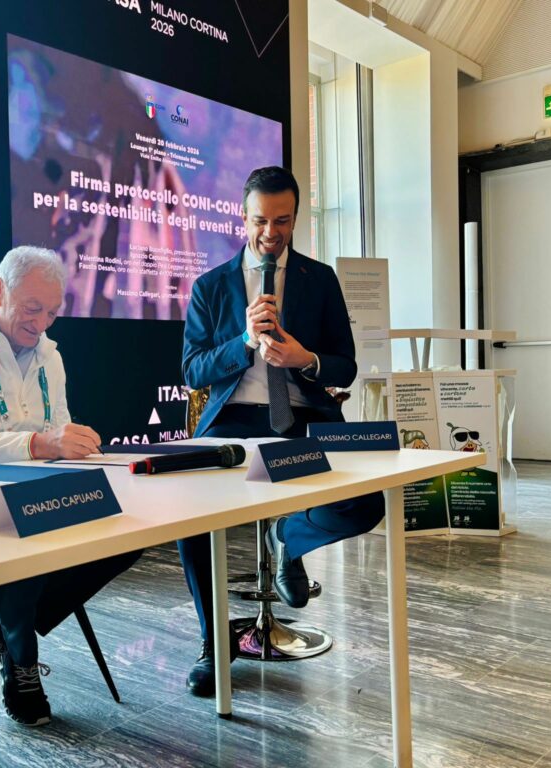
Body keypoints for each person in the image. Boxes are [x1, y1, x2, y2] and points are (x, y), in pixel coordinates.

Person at [178, 166, 385, 696]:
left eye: (283, 221)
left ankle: (287, 538)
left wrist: (305, 359)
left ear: (296, 217)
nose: (271, 233)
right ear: (242, 216)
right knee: (188, 512)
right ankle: (213, 641)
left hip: (305, 418)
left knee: (365, 503)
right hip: (234, 419)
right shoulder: (210, 286)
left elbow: (345, 366)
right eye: (260, 221)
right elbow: (193, 371)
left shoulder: (321, 279)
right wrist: (244, 342)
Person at [0, 245, 141, 726]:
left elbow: (58, 428)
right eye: (32, 309)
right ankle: (23, 657)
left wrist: (75, 444)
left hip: (39, 496)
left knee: (128, 535)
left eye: (52, 313)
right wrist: (36, 444)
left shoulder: (51, 357)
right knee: (24, 532)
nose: (41, 324)